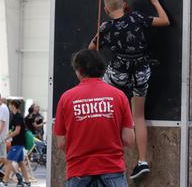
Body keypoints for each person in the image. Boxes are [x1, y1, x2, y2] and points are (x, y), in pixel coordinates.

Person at [88, 0, 169, 179]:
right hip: (141, 71)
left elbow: (91, 49)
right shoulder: (137, 18)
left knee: (107, 107)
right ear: (124, 5)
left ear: (107, 10)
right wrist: (154, 0)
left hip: (119, 73)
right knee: (138, 116)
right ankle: (142, 162)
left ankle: (107, 156)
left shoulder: (106, 27)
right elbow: (165, 21)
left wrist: (103, 32)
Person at [54, 49, 135, 187]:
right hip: (112, 170)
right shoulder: (119, 96)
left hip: (78, 171)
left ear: (78, 70)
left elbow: (61, 143)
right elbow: (129, 139)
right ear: (102, 68)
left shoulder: (66, 98)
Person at [0, 100, 31, 187]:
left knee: (9, 160)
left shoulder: (18, 117)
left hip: (18, 142)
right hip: (16, 142)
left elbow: (17, 131)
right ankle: (27, 182)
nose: (8, 106)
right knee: (21, 162)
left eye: (9, 104)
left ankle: (4, 182)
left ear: (13, 105)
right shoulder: (15, 116)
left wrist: (6, 137)